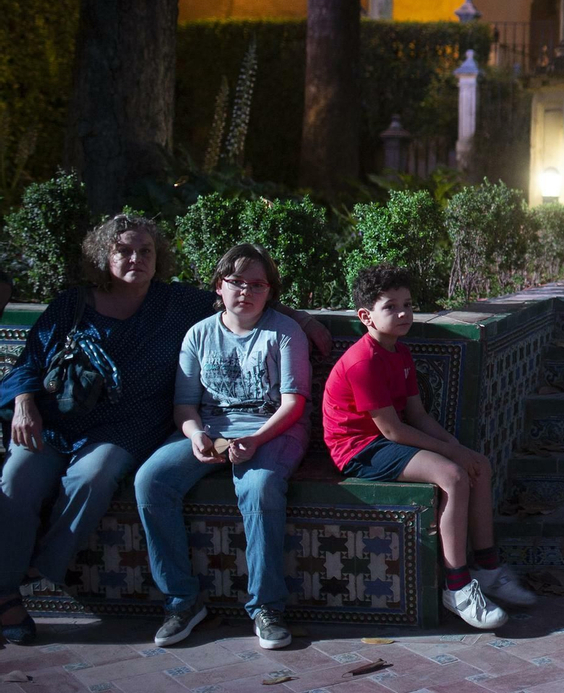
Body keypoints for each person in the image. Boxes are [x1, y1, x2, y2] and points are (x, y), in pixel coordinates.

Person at [0, 215, 329, 645]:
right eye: (124, 251)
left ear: (158, 258)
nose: (136, 258)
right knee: (17, 479)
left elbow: (245, 296)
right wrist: (24, 403)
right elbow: (28, 362)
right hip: (55, 422)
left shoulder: (175, 303)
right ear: (104, 255)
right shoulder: (72, 305)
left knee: (94, 478)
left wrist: (298, 317)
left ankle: (38, 570)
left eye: (146, 251)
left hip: (122, 429)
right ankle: (10, 594)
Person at [321, 265, 535, 630]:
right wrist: (451, 455)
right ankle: (457, 587)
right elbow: (391, 430)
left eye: (408, 304)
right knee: (452, 476)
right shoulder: (363, 361)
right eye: (391, 307)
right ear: (365, 316)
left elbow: (417, 415)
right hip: (358, 449)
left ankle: (487, 569)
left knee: (477, 464)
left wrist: (456, 446)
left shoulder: (400, 353)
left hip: (386, 440)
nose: (404, 313)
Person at [133, 244, 311, 650]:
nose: (246, 291)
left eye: (258, 284)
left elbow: (293, 403)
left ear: (270, 291)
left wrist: (256, 439)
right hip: (211, 429)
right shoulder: (199, 334)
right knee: (151, 480)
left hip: (274, 430)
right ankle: (182, 600)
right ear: (219, 285)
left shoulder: (284, 332)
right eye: (236, 282)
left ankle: (267, 606)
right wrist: (196, 435)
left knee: (259, 487)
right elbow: (184, 403)